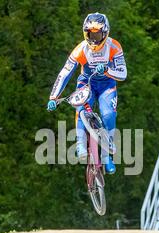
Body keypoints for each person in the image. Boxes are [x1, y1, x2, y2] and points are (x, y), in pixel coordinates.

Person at [46, 12, 127, 174]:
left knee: (108, 114)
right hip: (87, 83)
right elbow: (65, 73)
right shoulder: (81, 50)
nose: (94, 38)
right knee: (81, 108)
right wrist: (53, 97)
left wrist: (107, 70)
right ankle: (80, 144)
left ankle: (106, 157)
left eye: (97, 34)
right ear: (85, 33)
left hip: (107, 85)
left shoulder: (114, 47)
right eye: (90, 34)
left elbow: (123, 73)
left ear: (105, 33)